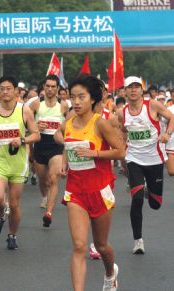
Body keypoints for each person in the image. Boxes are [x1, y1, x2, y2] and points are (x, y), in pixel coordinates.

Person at [59, 75, 124, 291]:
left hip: (99, 191)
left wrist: (94, 153)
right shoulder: (68, 124)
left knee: (102, 245)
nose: (76, 102)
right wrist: (64, 162)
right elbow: (69, 146)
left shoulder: (100, 123)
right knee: (79, 246)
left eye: (81, 97)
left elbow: (120, 151)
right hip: (76, 191)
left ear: (92, 98)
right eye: (72, 97)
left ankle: (110, 273)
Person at [117, 76, 174, 254]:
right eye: (130, 87)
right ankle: (138, 240)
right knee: (137, 199)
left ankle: (148, 191)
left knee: (155, 204)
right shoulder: (122, 112)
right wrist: (123, 151)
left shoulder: (153, 105)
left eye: (136, 87)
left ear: (142, 90)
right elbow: (124, 130)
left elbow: (172, 118)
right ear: (124, 91)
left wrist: (167, 133)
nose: (133, 90)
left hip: (155, 160)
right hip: (134, 159)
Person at [0, 76, 40, 249]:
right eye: (2, 88)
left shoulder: (24, 111)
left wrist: (22, 140)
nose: (5, 91)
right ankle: (1, 216)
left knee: (14, 204)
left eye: (9, 88)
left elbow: (36, 134)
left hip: (18, 163)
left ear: (16, 90)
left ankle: (12, 235)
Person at [29, 75, 69, 227]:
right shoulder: (35, 105)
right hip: (40, 144)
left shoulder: (64, 105)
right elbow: (26, 124)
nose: (50, 89)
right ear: (44, 88)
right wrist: (35, 128)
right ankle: (45, 196)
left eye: (54, 86)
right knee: (43, 180)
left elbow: (71, 123)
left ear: (58, 89)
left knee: (53, 178)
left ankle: (49, 212)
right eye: (48, 86)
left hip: (56, 145)